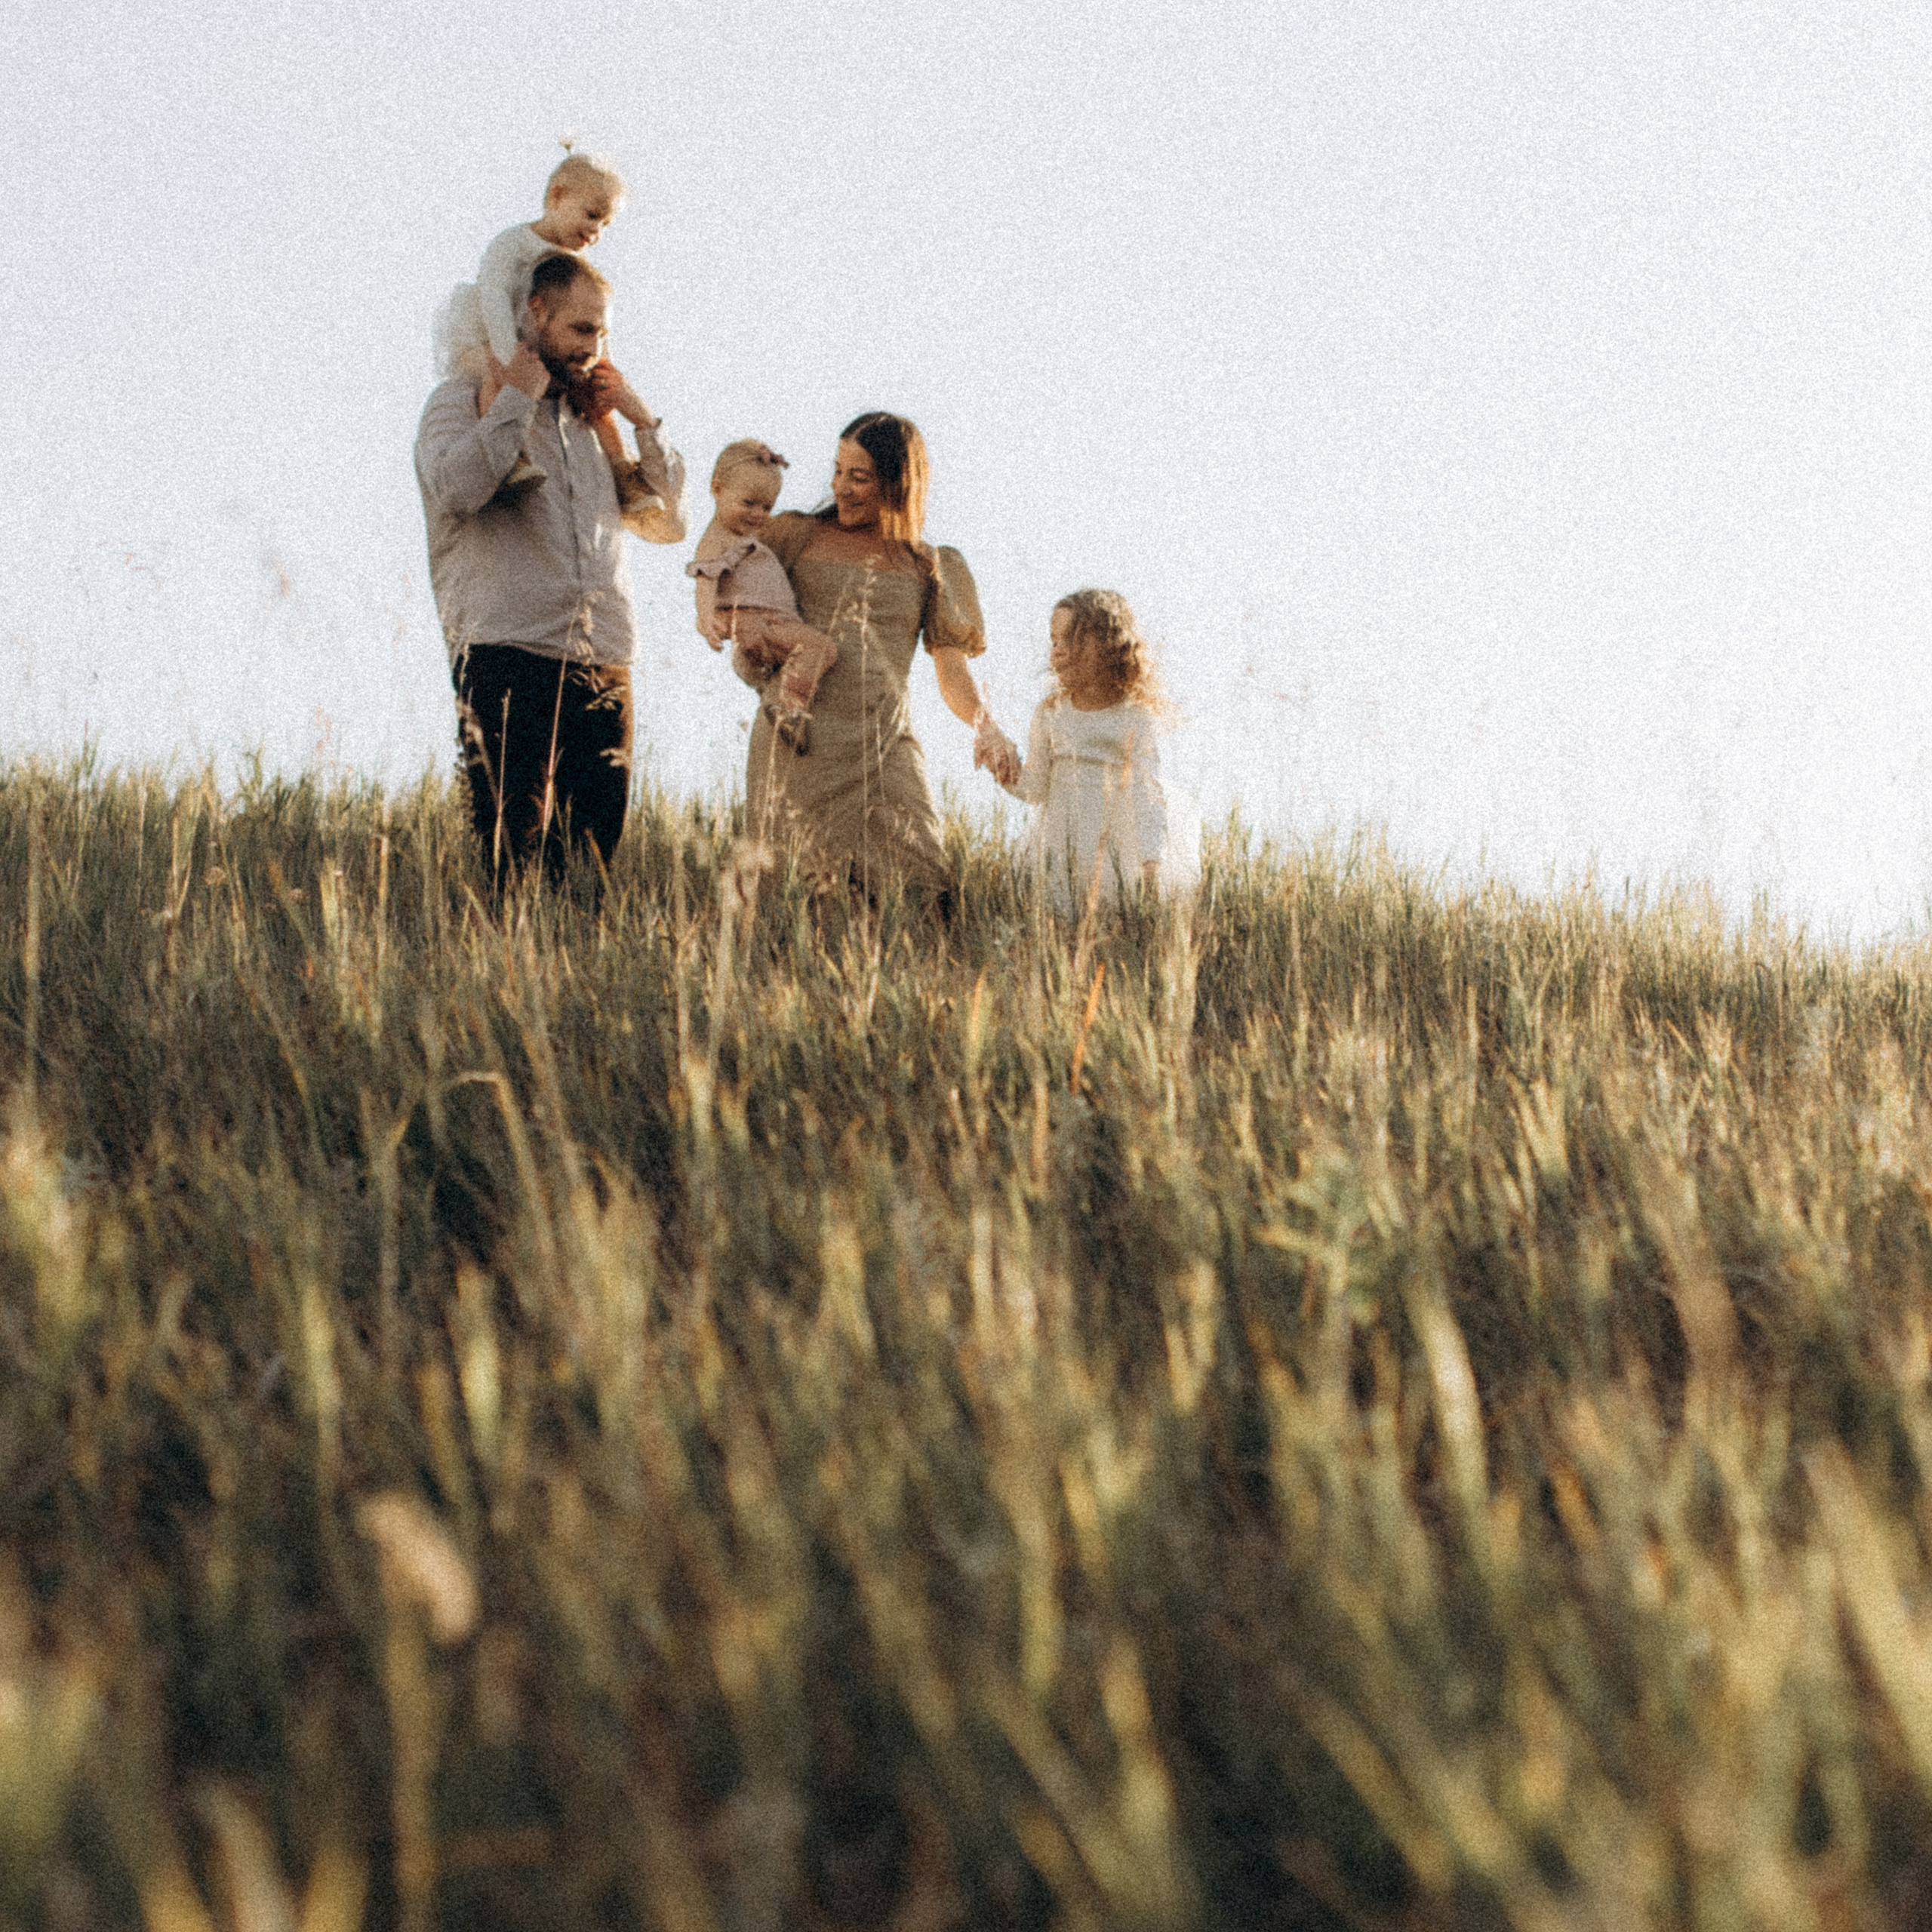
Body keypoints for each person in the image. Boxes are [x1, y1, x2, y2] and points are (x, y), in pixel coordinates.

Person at [414, 251, 687, 893]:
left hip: (604, 655)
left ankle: (581, 977)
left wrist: (637, 414)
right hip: (508, 648)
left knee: (593, 856)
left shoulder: (596, 424)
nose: (595, 348)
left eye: (604, 333)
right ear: (534, 314)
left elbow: (668, 511)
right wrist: (516, 399)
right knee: (512, 848)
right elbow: (457, 488)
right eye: (582, 330)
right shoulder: (459, 401)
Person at [720, 412, 1020, 910]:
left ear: (898, 483)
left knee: (924, 888)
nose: (842, 487)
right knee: (794, 895)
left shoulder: (929, 564)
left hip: (884, 744)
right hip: (798, 740)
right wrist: (743, 635)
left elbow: (951, 670)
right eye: (838, 471)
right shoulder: (795, 536)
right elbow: (726, 576)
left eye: (859, 477)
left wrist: (985, 726)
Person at [433, 149, 628, 504]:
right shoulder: (515, 242)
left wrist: (601, 365)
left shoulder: (574, 264)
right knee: (497, 383)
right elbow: (493, 298)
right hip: (495, 335)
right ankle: (514, 460)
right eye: (592, 215)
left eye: (605, 224)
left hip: (542, 348)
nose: (596, 231)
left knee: (596, 404)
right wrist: (510, 358)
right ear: (557, 196)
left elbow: (592, 317)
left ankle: (624, 471)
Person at [1001, 588, 1198, 916]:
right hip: (1061, 846)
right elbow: (1036, 788)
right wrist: (1005, 769)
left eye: (1072, 639)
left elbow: (1147, 794)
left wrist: (1151, 862)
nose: (1058, 651)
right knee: (1061, 924)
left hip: (1116, 849)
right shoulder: (1051, 712)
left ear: (1110, 645)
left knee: (1112, 924)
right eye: (1054, 641)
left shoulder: (1134, 716)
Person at [688, 441, 837, 753]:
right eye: (749, 503)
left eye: (767, 507)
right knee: (823, 648)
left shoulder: (745, 537)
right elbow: (705, 581)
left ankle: (782, 709)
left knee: (797, 661)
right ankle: (791, 709)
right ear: (718, 489)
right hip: (763, 626)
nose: (758, 514)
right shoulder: (717, 539)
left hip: (765, 627)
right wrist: (707, 618)